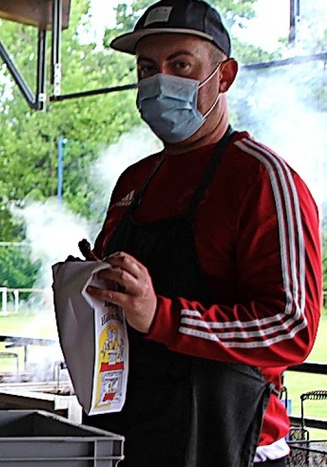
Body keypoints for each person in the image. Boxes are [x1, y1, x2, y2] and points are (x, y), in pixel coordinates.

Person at [81, 1, 323, 466]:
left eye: (180, 65)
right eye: (147, 68)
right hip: (134, 436)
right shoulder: (136, 180)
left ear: (224, 76)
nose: (159, 82)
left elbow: (292, 326)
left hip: (231, 443)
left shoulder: (262, 180)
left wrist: (162, 316)